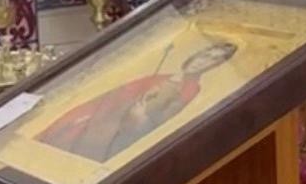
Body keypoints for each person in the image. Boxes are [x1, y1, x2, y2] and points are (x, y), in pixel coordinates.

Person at [34, 43, 237, 163]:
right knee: (66, 129)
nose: (203, 61)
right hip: (105, 114)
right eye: (205, 55)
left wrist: (142, 117)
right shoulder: (162, 75)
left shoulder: (191, 89)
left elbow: (164, 121)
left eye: (213, 60)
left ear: (216, 66)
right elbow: (117, 93)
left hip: (122, 132)